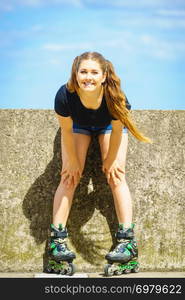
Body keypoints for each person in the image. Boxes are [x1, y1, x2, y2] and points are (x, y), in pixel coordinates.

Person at [49, 51, 151, 271]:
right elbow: (66, 131)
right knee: (69, 176)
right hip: (78, 127)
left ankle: (127, 242)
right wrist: (74, 161)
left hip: (108, 128)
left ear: (104, 76)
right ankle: (56, 243)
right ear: (75, 74)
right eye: (83, 71)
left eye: (94, 72)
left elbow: (116, 130)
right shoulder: (64, 95)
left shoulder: (115, 96)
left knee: (116, 176)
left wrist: (112, 159)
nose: (88, 77)